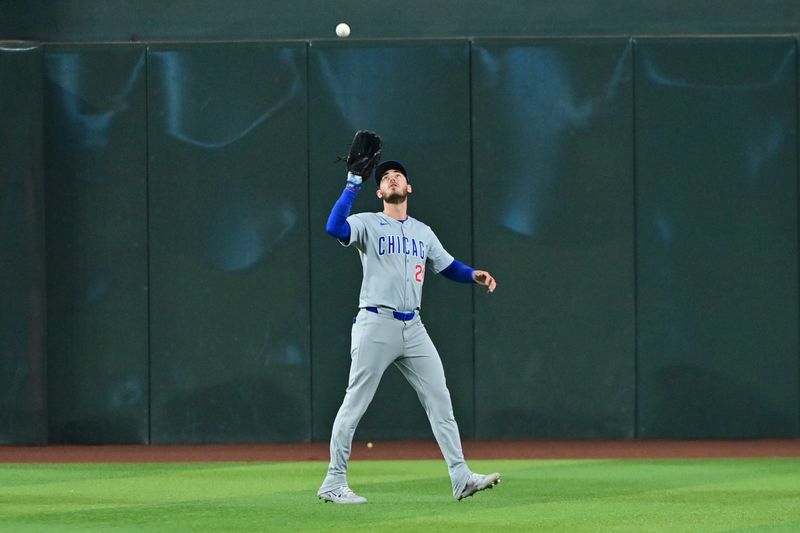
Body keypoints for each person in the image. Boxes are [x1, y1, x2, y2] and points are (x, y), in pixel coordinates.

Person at [317, 159, 500, 504]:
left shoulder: (423, 232)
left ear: (408, 188)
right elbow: (333, 227)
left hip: (413, 327)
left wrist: (472, 273)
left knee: (440, 400)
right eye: (385, 177)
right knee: (354, 403)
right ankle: (333, 480)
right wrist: (352, 183)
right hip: (375, 323)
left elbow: (447, 266)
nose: (392, 178)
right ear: (380, 192)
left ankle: (461, 477)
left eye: (397, 175)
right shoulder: (367, 223)